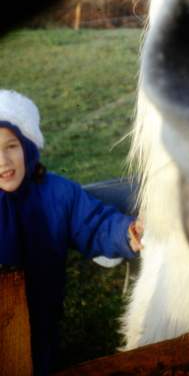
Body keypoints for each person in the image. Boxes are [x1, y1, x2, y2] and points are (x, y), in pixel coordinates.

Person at [0, 89, 143, 375]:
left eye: (11, 146)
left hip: (42, 318)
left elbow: (94, 223)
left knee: (40, 359)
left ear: (28, 147)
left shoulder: (58, 193)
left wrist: (128, 232)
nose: (2, 160)